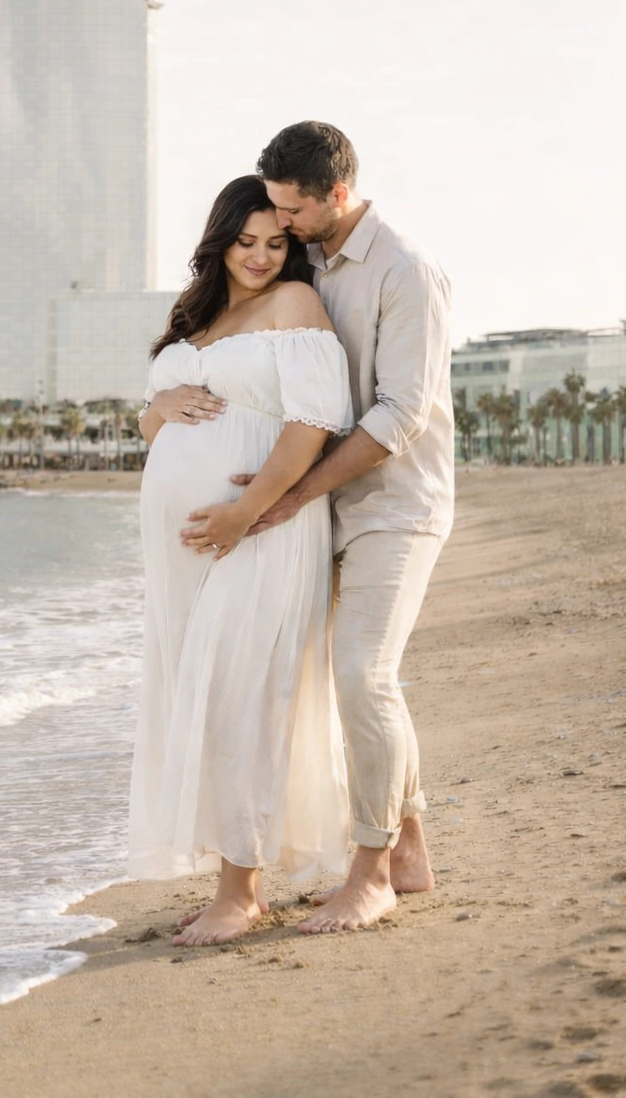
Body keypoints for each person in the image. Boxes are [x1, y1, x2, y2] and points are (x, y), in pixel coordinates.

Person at [185, 122, 454, 933]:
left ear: (337, 194)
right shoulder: (312, 268)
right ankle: (408, 848)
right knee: (340, 687)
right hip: (323, 512)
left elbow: (400, 414)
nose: (282, 224)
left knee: (363, 678)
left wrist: (293, 494)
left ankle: (368, 872)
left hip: (394, 507)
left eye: (292, 210)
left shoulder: (405, 269)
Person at [129, 175, 353, 946]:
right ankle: (231, 874)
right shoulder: (197, 317)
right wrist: (158, 407)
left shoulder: (297, 306)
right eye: (246, 241)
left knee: (247, 698)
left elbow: (311, 425)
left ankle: (243, 891)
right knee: (204, 695)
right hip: (190, 555)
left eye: (276, 243)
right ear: (218, 240)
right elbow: (154, 430)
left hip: (261, 532)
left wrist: (243, 512)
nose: (260, 257)